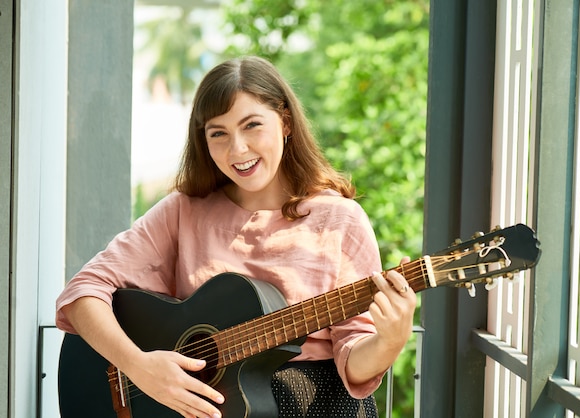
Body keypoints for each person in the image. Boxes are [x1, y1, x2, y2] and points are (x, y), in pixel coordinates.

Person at [56, 55, 417, 418]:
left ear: (286, 123)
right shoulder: (183, 211)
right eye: (219, 134)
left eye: (252, 125)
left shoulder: (340, 220)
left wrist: (390, 339)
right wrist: (139, 367)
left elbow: (355, 362)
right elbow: (82, 292)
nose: (238, 149)